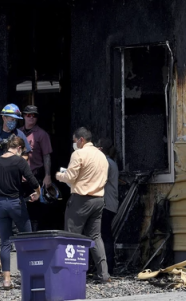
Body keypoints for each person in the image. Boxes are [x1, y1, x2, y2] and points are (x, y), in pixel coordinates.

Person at [56, 127, 110, 283]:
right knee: (95, 237)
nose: (74, 144)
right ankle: (103, 274)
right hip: (99, 199)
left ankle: (73, 274)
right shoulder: (102, 156)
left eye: (74, 141)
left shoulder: (78, 153)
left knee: (72, 236)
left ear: (81, 140)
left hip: (81, 199)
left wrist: (59, 175)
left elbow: (71, 177)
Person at [0, 136, 40, 289]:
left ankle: (6, 280)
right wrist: (38, 192)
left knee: (5, 242)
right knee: (28, 238)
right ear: (19, 148)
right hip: (15, 203)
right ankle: (30, 275)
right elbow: (32, 180)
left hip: (0, 203)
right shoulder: (20, 161)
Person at [97, 138, 119, 275]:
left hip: (106, 204)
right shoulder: (111, 162)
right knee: (105, 235)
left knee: (104, 236)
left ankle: (107, 267)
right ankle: (107, 266)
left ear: (100, 149)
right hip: (110, 204)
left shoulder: (106, 163)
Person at [21, 105, 53, 189]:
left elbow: (46, 156)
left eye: (34, 115)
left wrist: (47, 176)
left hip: (35, 176)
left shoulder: (42, 134)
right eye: (29, 115)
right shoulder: (17, 133)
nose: (31, 117)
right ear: (24, 116)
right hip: (19, 177)